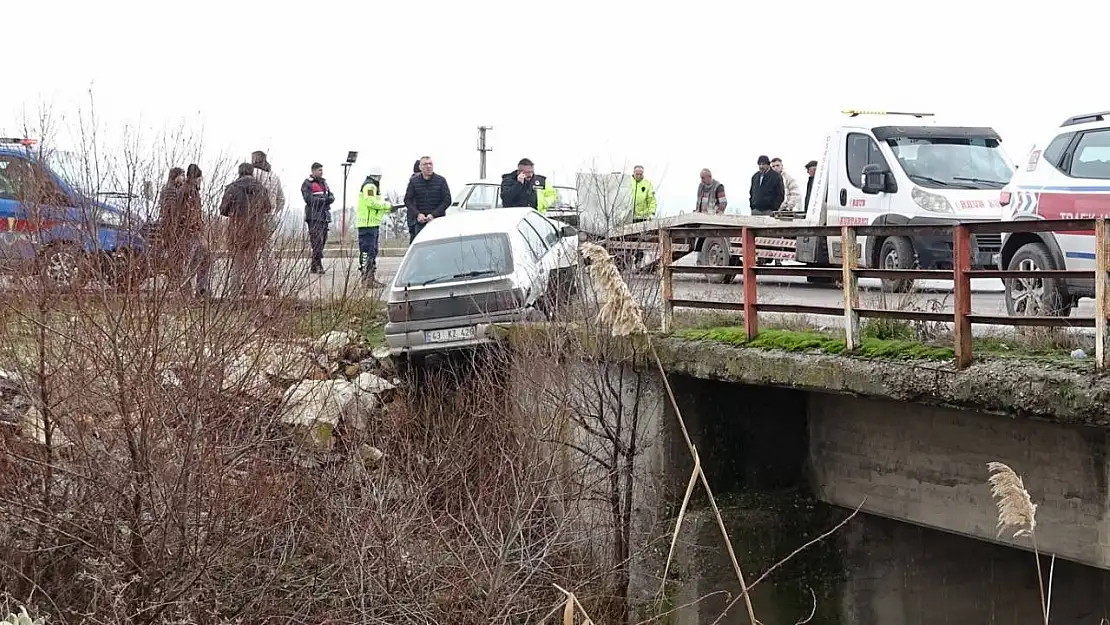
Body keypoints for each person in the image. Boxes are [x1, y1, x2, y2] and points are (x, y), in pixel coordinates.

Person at [219, 163, 274, 298]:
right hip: (255, 228)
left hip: (236, 228)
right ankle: (252, 295)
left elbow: (223, 210)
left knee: (236, 264)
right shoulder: (261, 188)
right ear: (252, 172)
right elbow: (268, 207)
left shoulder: (231, 188)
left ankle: (233, 296)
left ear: (239, 172)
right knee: (252, 263)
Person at [166, 163, 211, 297]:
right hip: (191, 232)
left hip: (184, 232)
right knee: (201, 259)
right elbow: (191, 214)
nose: (200, 181)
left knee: (192, 260)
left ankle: (189, 289)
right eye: (199, 178)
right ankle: (198, 289)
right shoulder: (191, 192)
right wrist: (198, 229)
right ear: (195, 178)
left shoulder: (184, 190)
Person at [356, 167, 392, 287]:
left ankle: (369, 278)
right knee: (368, 251)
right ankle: (367, 279)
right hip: (367, 224)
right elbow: (371, 202)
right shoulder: (370, 186)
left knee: (371, 251)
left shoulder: (371, 186)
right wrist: (387, 206)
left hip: (371, 224)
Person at [403, 156, 451, 243]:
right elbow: (407, 200)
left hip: (437, 221)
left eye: (430, 164)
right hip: (420, 222)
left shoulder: (441, 180)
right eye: (425, 164)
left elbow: (447, 200)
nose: (428, 166)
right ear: (420, 167)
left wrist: (434, 215)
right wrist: (418, 214)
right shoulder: (414, 182)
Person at [301, 162, 334, 274]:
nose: (321, 172)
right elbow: (308, 199)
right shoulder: (307, 183)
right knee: (317, 241)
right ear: (313, 171)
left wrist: (330, 199)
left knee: (323, 240)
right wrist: (323, 201)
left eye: (322, 170)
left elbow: (330, 195)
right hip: (314, 216)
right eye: (319, 170)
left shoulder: (324, 183)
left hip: (324, 216)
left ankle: (314, 265)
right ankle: (318, 264)